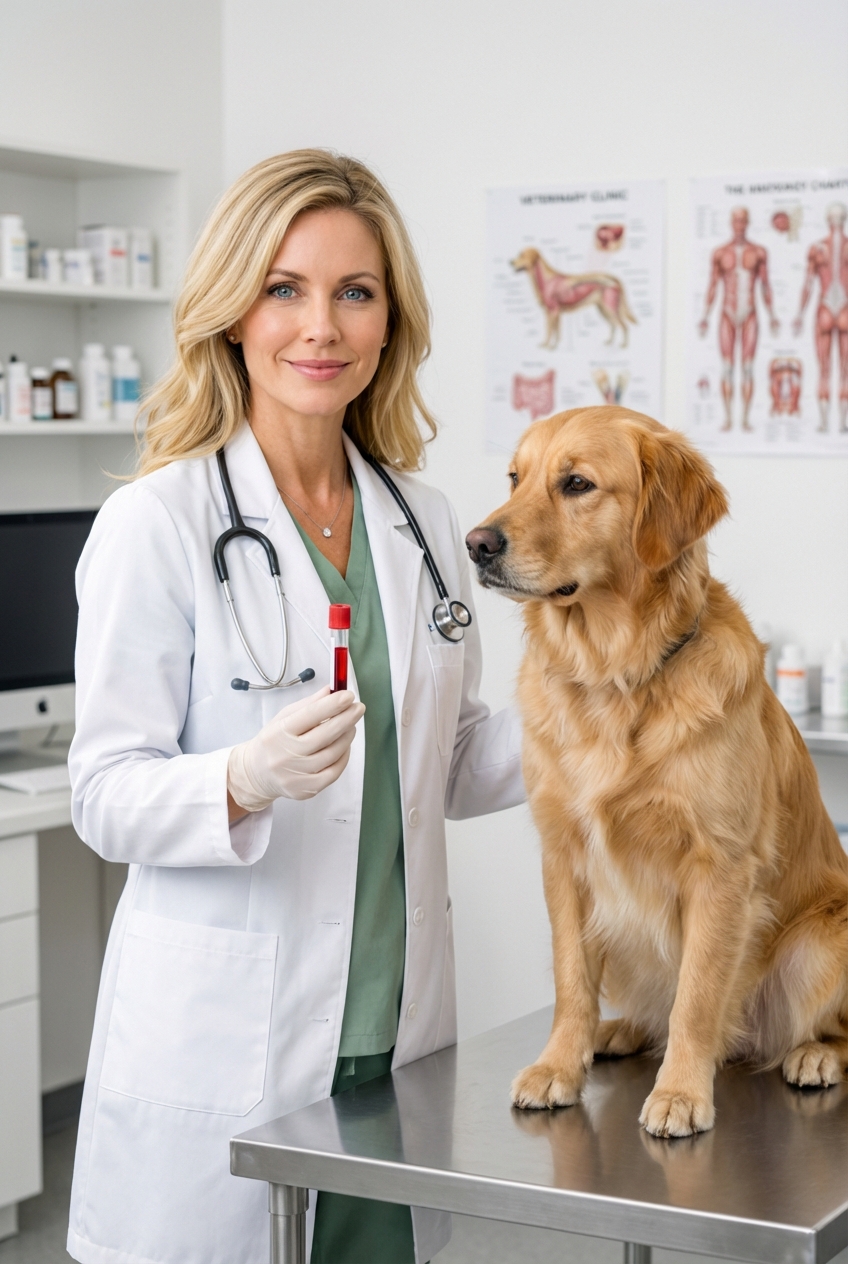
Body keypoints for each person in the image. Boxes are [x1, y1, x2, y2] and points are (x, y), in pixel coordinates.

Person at [66, 150, 524, 1264]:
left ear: (387, 322)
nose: (319, 327)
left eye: (353, 292)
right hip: (226, 1043)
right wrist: (239, 778)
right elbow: (103, 796)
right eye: (284, 288)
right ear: (232, 313)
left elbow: (451, 763)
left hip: (391, 1037)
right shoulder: (157, 522)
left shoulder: (420, 520)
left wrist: (610, 715)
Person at [698, 206, 779, 432]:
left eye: (743, 220)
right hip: (727, 313)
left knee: (748, 368)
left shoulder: (759, 252)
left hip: (750, 312)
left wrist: (772, 315)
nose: (739, 225)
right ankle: (727, 418)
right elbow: (713, 285)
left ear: (748, 222)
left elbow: (765, 285)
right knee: (726, 367)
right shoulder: (720, 253)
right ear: (731, 223)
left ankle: (744, 418)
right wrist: (704, 315)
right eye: (736, 220)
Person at [793, 201, 848, 433]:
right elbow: (807, 284)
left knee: (827, 369)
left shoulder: (818, 249)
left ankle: (826, 423)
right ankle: (836, 422)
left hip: (827, 307)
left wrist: (800, 314)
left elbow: (808, 284)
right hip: (842, 307)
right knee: (842, 369)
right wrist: (799, 314)